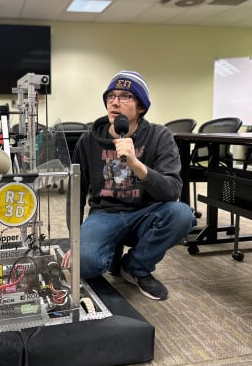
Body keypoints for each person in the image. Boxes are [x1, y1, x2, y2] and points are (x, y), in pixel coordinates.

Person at [61, 70, 195, 300]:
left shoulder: (159, 136)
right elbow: (76, 193)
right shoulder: (89, 140)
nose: (115, 102)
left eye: (125, 96)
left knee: (182, 215)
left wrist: (135, 164)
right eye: (110, 96)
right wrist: (75, 241)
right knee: (83, 266)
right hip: (105, 214)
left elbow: (172, 191)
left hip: (145, 212)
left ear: (141, 107)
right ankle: (110, 252)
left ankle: (135, 267)